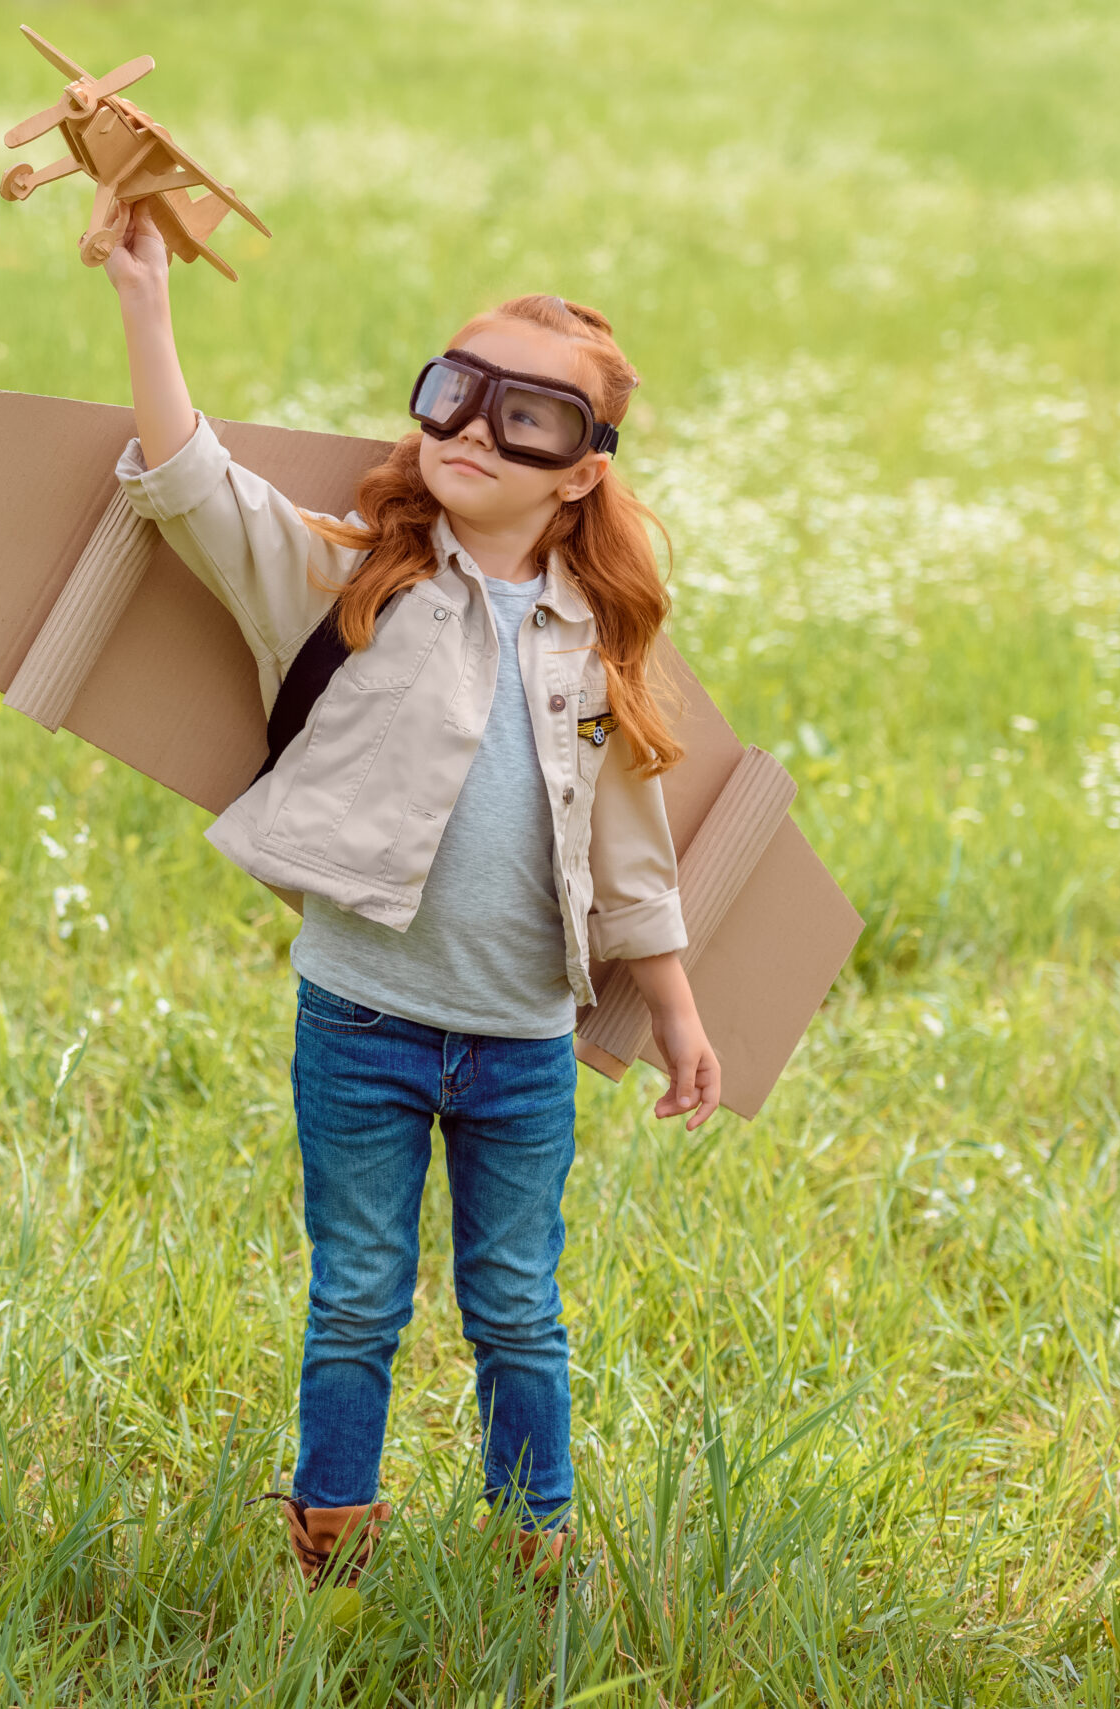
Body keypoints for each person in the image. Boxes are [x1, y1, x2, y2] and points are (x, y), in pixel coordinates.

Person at [100, 202, 721, 1588]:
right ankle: (329, 1537)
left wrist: (675, 1012)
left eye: (529, 419)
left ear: (580, 473)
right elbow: (195, 483)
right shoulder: (345, 582)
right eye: (452, 392)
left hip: (524, 1044)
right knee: (358, 1297)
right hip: (365, 1020)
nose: (472, 432)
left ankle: (532, 1544)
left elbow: (632, 852)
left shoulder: (594, 636)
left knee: (514, 1304)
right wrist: (148, 299)